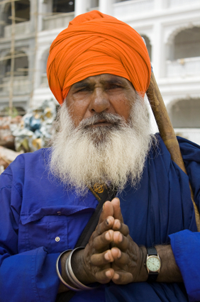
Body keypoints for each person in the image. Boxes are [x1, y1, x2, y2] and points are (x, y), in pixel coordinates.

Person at [0, 10, 200, 302]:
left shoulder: (183, 165)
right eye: (82, 90)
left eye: (114, 86)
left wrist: (147, 262)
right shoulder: (22, 177)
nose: (99, 102)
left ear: (138, 97)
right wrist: (74, 269)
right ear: (64, 105)